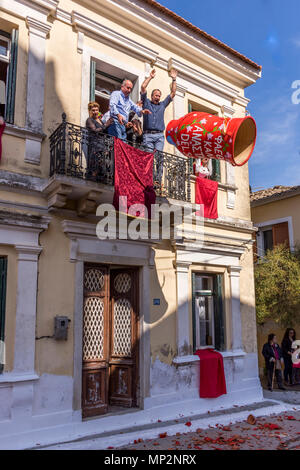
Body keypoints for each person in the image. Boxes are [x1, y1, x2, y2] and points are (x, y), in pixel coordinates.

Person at [140, 68, 177, 184]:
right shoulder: (146, 103)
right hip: (148, 135)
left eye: (159, 96)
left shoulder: (162, 105)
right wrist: (150, 77)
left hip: (159, 136)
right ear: (152, 96)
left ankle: (157, 180)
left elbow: (173, 93)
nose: (157, 97)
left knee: (159, 157)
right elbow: (142, 87)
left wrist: (174, 79)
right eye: (156, 95)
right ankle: (148, 179)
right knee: (149, 157)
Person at [85, 101, 113, 179]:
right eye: (93, 110)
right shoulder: (89, 120)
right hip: (95, 144)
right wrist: (106, 125)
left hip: (102, 145)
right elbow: (95, 130)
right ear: (89, 111)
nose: (95, 112)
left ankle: (102, 178)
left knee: (103, 163)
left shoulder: (100, 121)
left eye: (96, 110)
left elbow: (104, 131)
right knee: (96, 164)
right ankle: (93, 177)